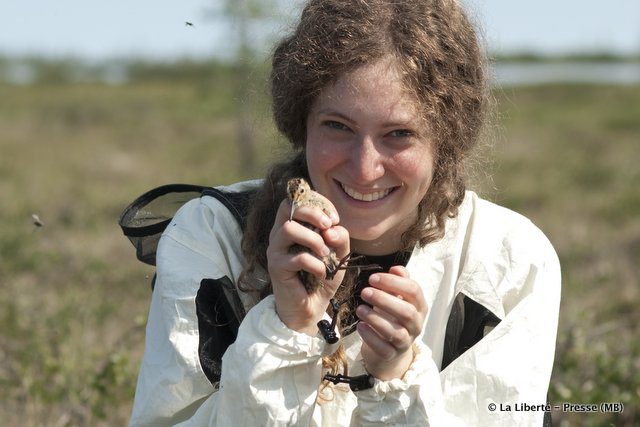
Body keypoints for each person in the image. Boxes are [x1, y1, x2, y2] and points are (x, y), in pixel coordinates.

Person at [129, 0, 561, 425]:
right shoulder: (210, 235)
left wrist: (397, 375)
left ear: (446, 141)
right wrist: (286, 327)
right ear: (302, 122)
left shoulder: (509, 260)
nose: (364, 168)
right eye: (338, 126)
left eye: (399, 134)